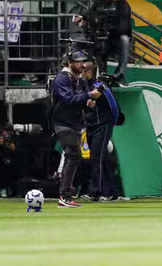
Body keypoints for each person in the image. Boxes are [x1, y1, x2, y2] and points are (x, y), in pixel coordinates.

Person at [51, 50, 102, 208]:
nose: (82, 64)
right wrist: (89, 96)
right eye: (78, 61)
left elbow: (79, 101)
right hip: (62, 123)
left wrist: (89, 104)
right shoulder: (61, 79)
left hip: (75, 124)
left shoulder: (79, 80)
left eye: (83, 61)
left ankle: (65, 195)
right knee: (73, 154)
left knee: (74, 156)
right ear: (69, 62)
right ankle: (64, 196)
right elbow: (68, 99)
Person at [82, 60, 121, 201]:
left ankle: (95, 192)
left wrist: (113, 122)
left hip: (103, 125)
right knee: (100, 159)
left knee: (96, 158)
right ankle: (112, 191)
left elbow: (114, 105)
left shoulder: (100, 86)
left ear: (89, 72)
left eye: (82, 70)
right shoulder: (83, 85)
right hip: (90, 126)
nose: (80, 73)